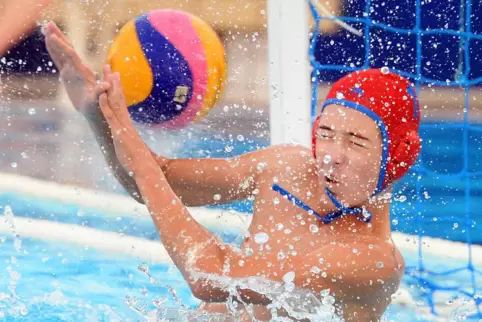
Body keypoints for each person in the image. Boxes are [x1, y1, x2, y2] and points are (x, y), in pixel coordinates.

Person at [44, 21, 421, 321]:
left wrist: (137, 156)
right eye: (325, 134)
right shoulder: (285, 168)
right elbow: (157, 182)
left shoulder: (371, 261)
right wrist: (97, 116)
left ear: (396, 158)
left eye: (355, 142)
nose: (331, 156)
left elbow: (210, 276)